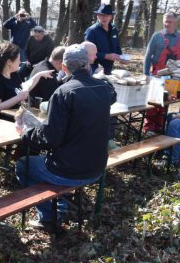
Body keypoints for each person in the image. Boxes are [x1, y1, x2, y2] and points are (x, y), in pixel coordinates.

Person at [15, 44, 117, 229]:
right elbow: (112, 93)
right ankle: (57, 206)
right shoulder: (103, 89)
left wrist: (27, 134)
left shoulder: (64, 92)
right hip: (97, 167)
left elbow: (51, 138)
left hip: (69, 170)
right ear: (88, 65)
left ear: (63, 67)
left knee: (23, 165)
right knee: (46, 161)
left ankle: (49, 216)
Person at [0, 43, 53, 122]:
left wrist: (39, 75)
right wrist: (18, 98)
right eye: (18, 59)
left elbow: (24, 87)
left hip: (11, 118)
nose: (20, 61)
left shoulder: (13, 74)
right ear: (9, 62)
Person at [143, 11, 180, 134]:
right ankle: (149, 129)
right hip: (157, 75)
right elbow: (147, 57)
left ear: (175, 23)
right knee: (153, 102)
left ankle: (160, 127)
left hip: (174, 75)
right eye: (165, 22)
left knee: (166, 102)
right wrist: (146, 74)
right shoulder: (156, 36)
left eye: (170, 22)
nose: (167, 24)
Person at [84, 3, 125, 75]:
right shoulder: (92, 31)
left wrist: (121, 57)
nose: (104, 18)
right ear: (98, 16)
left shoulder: (114, 30)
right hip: (94, 68)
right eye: (102, 15)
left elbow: (117, 46)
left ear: (111, 17)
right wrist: (106, 56)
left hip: (109, 68)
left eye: (107, 15)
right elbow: (86, 52)